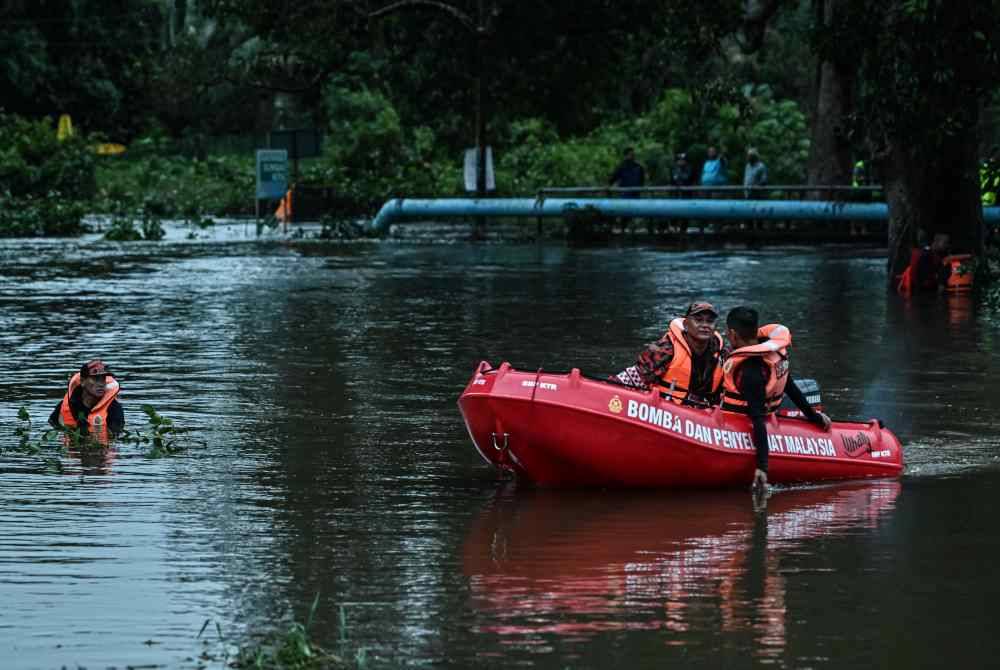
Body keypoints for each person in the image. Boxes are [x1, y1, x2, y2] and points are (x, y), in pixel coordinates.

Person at [720, 307, 831, 491]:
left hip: (740, 422)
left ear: (732, 334)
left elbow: (757, 418)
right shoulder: (772, 355)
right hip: (765, 412)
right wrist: (814, 416)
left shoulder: (750, 370)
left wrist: (762, 468)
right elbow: (789, 384)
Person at [614, 302, 729, 405]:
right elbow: (633, 377)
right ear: (686, 324)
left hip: (702, 417)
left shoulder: (722, 355)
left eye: (710, 321)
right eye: (698, 320)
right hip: (664, 411)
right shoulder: (664, 348)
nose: (705, 325)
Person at [48, 359, 125, 441]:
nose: (101, 384)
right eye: (95, 379)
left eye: (103, 379)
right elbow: (53, 423)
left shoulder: (114, 408)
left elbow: (116, 434)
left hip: (100, 449)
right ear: (82, 381)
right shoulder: (66, 404)